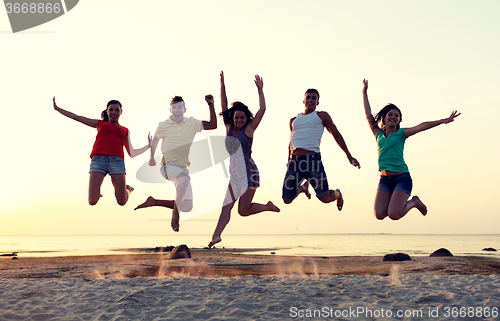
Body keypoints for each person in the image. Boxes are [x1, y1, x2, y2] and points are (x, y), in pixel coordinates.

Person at [362, 79, 460, 220]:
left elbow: (421, 126)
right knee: (379, 214)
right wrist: (364, 92)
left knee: (394, 214)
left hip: (402, 178)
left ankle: (414, 202)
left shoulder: (401, 133)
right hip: (384, 179)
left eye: (397, 115)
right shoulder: (378, 133)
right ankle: (410, 202)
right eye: (390, 114)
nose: (393, 117)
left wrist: (442, 120)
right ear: (383, 118)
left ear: (399, 119)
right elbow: (368, 115)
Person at [208, 72, 280, 248]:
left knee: (243, 211)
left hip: (249, 174)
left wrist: (260, 90)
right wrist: (222, 84)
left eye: (242, 117)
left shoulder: (248, 129)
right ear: (233, 118)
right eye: (237, 117)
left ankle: (267, 206)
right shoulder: (228, 127)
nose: (239, 120)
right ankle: (216, 236)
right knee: (226, 207)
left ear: (246, 118)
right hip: (235, 174)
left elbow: (262, 110)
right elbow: (224, 104)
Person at [135, 95, 217, 232]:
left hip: (182, 167)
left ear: (184, 109)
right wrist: (151, 157)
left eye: (179, 107)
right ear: (170, 109)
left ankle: (154, 201)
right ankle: (175, 213)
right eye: (174, 107)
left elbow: (213, 125)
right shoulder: (163, 125)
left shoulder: (192, 123)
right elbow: (155, 140)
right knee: (185, 179)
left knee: (187, 206)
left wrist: (210, 104)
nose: (177, 109)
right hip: (167, 166)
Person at [53, 97, 151, 206]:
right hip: (98, 161)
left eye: (117, 110)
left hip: (117, 162)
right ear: (107, 111)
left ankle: (128, 189)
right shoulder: (100, 124)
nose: (114, 112)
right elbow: (76, 117)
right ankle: (97, 194)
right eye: (111, 109)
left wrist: (148, 146)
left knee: (121, 201)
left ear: (121, 112)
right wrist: (57, 108)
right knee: (92, 201)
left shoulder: (124, 130)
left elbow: (132, 153)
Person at [282, 88, 360, 209]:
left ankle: (338, 194)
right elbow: (291, 142)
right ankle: (303, 188)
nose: (310, 100)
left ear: (317, 102)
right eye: (308, 97)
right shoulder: (293, 120)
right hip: (295, 162)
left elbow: (337, 135)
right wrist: (288, 160)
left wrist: (349, 156)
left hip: (312, 161)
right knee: (286, 199)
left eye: (314, 98)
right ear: (303, 100)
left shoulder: (321, 116)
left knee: (324, 197)